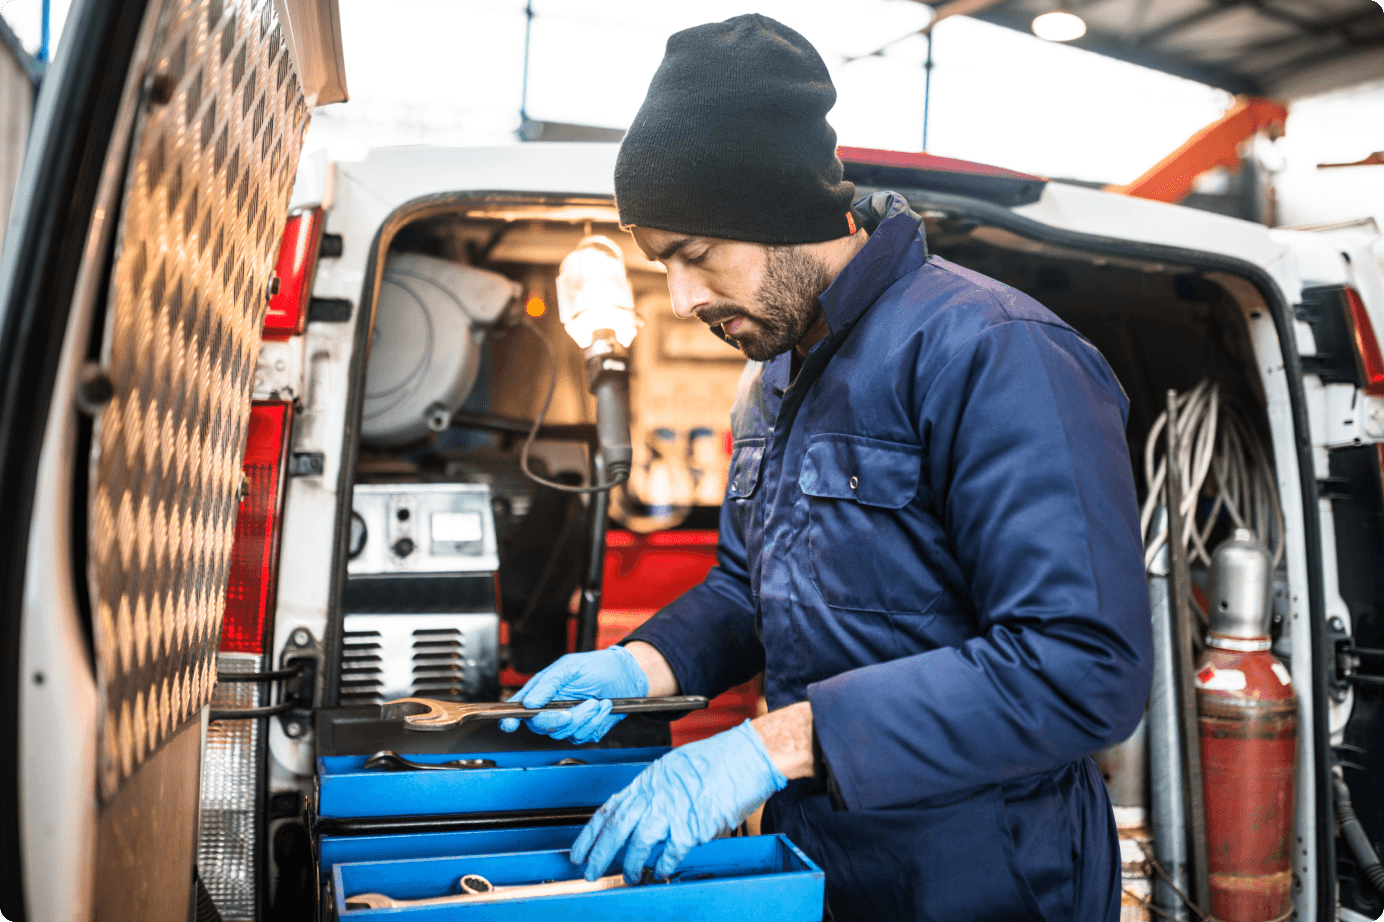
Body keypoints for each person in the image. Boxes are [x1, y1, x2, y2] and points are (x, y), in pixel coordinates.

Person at [500, 14, 1152, 921]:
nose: (680, 299)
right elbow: (750, 590)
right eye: (662, 265)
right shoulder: (772, 376)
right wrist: (642, 665)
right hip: (820, 859)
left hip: (990, 873)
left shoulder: (994, 352)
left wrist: (770, 748)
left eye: (696, 256)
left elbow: (1081, 666)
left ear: (780, 212)